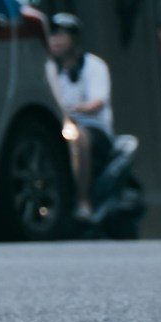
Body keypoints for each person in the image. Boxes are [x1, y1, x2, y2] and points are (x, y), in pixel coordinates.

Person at [47, 12, 118, 194]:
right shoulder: (49, 69)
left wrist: (74, 110)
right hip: (61, 126)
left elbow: (97, 102)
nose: (56, 40)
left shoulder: (94, 66)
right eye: (52, 35)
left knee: (80, 137)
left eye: (61, 35)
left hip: (94, 129)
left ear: (74, 39)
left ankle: (82, 199)